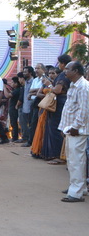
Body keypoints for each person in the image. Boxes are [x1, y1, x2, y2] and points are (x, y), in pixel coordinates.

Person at [58, 61, 89, 203]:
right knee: (72, 161)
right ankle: (78, 187)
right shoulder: (73, 85)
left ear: (76, 71)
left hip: (78, 130)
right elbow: (70, 109)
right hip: (70, 129)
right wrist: (64, 127)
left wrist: (75, 127)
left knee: (77, 161)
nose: (65, 71)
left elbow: (84, 110)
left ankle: (76, 193)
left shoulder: (83, 87)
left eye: (68, 69)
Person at [43, 54, 72, 163]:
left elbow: (58, 90)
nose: (58, 65)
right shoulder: (66, 75)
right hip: (62, 102)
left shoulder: (63, 75)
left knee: (56, 129)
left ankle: (59, 156)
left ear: (63, 64)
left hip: (59, 103)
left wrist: (49, 85)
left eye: (59, 63)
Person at [18, 66, 35, 147]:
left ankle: (30, 140)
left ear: (30, 73)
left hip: (31, 106)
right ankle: (25, 138)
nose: (24, 73)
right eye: (23, 72)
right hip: (25, 106)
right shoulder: (26, 82)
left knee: (31, 124)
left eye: (25, 72)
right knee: (23, 123)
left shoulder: (33, 81)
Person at [8, 76, 22, 142]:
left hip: (14, 108)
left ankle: (15, 137)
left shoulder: (17, 90)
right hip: (13, 107)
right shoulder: (16, 90)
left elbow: (8, 95)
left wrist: (4, 88)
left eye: (12, 82)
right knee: (13, 122)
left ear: (16, 83)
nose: (11, 83)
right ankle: (14, 136)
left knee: (14, 122)